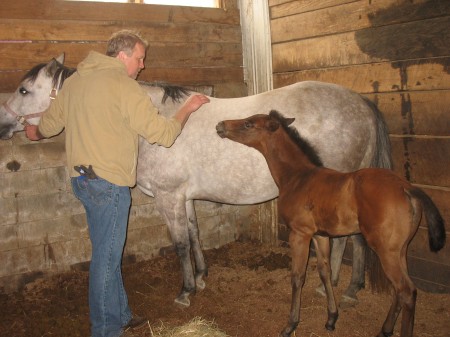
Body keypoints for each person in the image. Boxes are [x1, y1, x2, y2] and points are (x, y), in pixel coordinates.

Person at [25, 30, 210, 337]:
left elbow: (48, 125)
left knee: (106, 250)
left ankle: (120, 313)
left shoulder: (74, 83)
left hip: (82, 181)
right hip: (109, 185)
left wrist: (35, 133)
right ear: (122, 56)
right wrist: (186, 109)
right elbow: (163, 135)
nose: (143, 66)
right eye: (139, 58)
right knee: (106, 259)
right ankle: (105, 330)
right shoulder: (126, 88)